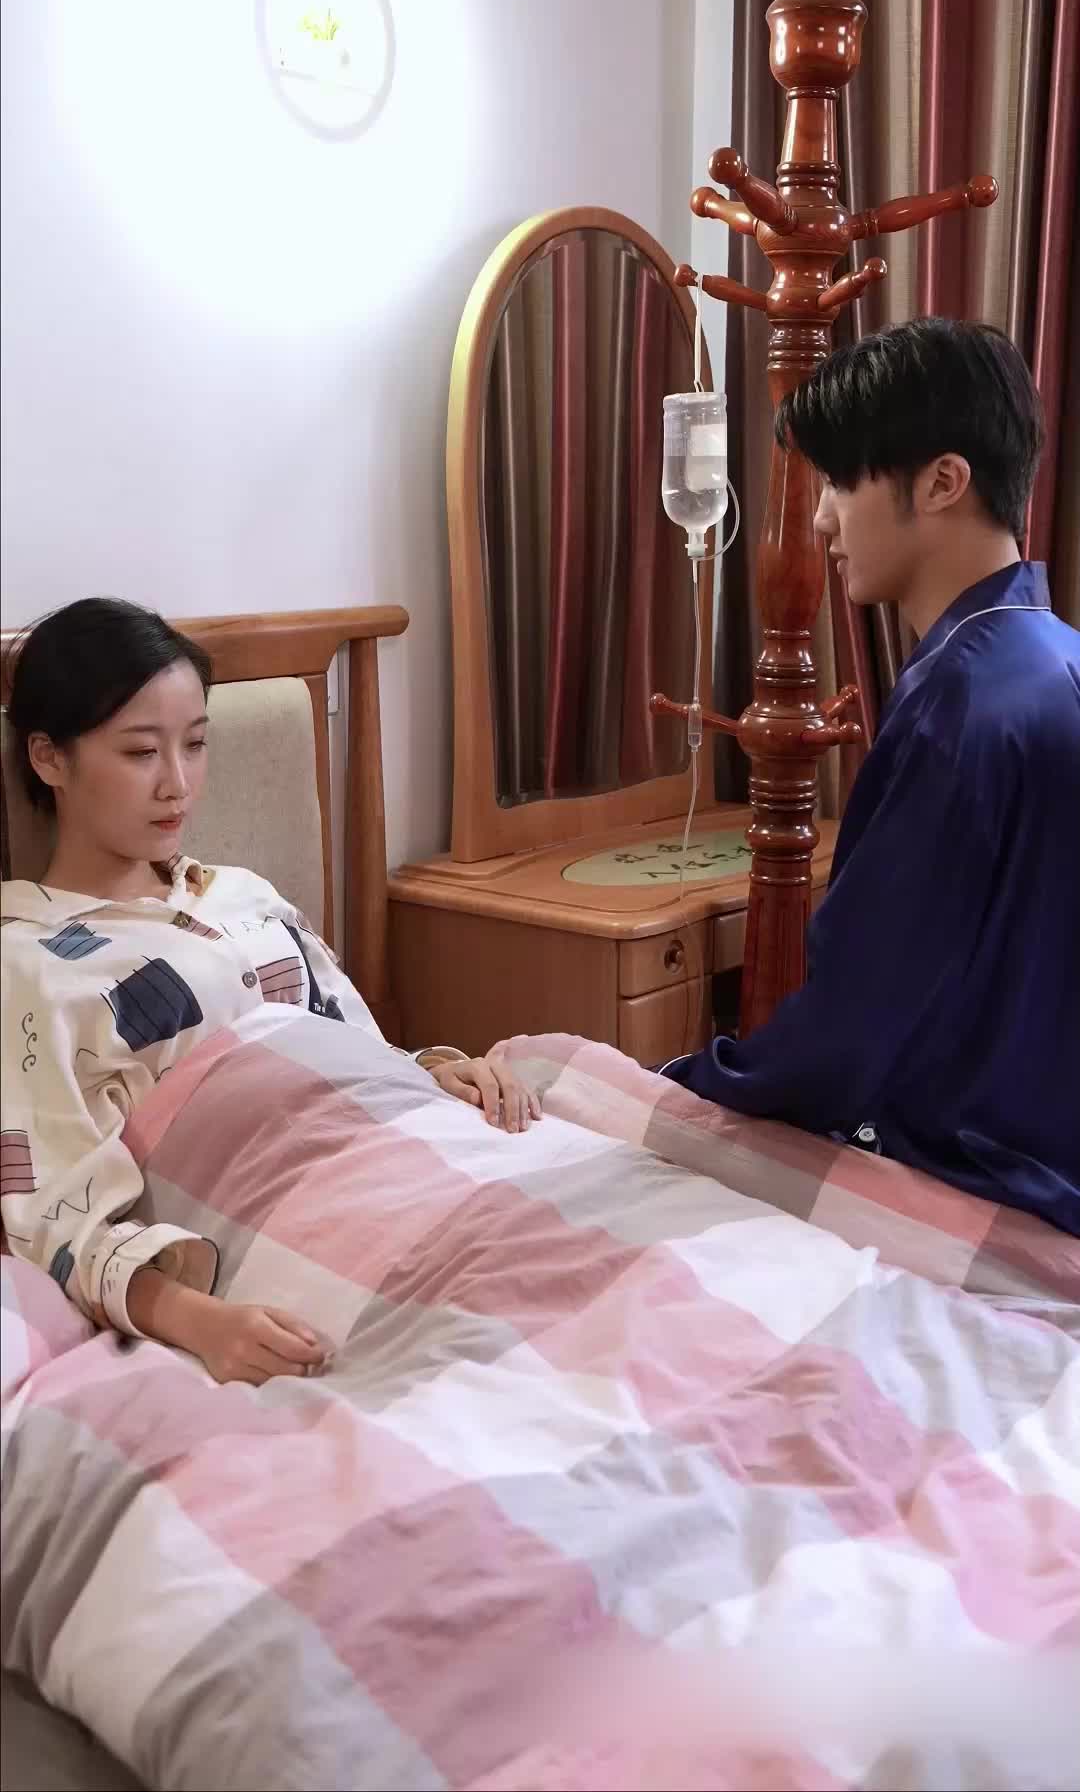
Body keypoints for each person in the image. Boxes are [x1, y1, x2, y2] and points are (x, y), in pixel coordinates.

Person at [1, 599, 540, 1384]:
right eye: (141, 752)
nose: (178, 784)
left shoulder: (243, 895)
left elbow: (351, 1049)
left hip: (411, 1153)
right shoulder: (26, 963)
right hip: (296, 1213)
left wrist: (434, 1070)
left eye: (195, 744)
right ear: (50, 758)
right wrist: (203, 1323)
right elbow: (55, 1217)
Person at [662, 318, 1080, 1237]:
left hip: (985, 1171)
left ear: (942, 483)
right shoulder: (1055, 658)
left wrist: (680, 1087)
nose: (821, 520)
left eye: (840, 483)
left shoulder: (963, 706)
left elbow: (851, 1031)